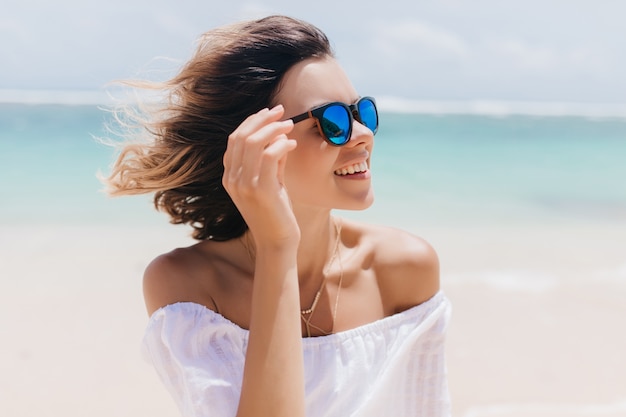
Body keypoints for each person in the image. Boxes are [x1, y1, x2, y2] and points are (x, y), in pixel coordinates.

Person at [105, 15, 451, 417]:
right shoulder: (191, 287)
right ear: (253, 144)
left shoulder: (404, 267)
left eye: (363, 112)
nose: (362, 133)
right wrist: (277, 246)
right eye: (332, 122)